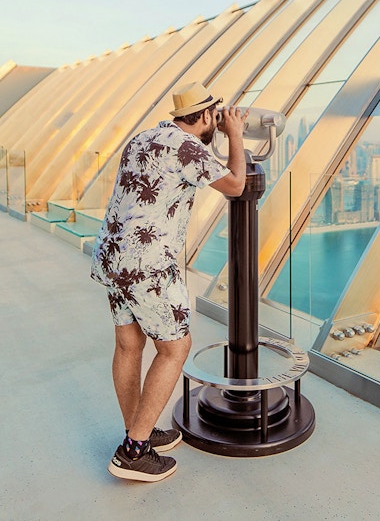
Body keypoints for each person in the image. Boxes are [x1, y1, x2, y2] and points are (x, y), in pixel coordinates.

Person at [90, 82, 248, 482]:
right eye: (217, 114)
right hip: (147, 264)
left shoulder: (144, 136)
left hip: (113, 257)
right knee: (176, 348)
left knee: (129, 345)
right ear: (207, 115)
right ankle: (134, 452)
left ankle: (137, 432)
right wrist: (236, 135)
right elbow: (235, 185)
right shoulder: (186, 146)